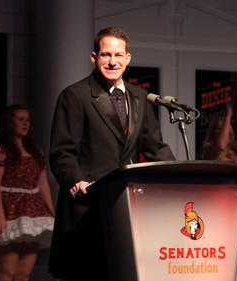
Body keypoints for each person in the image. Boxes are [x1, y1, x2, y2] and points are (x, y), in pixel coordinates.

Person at [48, 27, 175, 281]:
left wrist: (180, 179)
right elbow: (62, 152)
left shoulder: (139, 97)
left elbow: (155, 147)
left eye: (118, 55)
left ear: (128, 58)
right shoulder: (75, 95)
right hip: (87, 208)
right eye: (106, 55)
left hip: (127, 209)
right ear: (94, 57)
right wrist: (77, 182)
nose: (113, 61)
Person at [0, 104, 55, 281]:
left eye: (27, 120)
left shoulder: (36, 151)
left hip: (33, 212)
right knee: (7, 273)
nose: (25, 123)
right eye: (20, 119)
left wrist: (51, 211)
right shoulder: (0, 150)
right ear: (10, 122)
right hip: (8, 211)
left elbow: (43, 184)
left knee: (23, 274)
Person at [199, 89, 237, 260]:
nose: (220, 131)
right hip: (217, 205)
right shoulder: (208, 151)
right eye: (217, 128)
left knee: (236, 255)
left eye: (223, 128)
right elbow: (221, 146)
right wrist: (229, 115)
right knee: (220, 254)